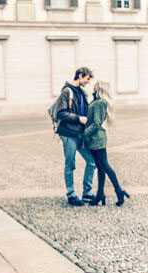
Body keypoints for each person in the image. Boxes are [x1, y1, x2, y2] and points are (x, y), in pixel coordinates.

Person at [83, 81, 130, 207]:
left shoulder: (99, 103)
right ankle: (100, 194)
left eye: (96, 85)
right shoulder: (98, 101)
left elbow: (96, 123)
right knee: (101, 167)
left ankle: (119, 191)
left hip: (97, 139)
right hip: (95, 139)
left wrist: (84, 134)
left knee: (105, 166)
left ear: (100, 88)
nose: (93, 86)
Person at [54, 67, 96, 206]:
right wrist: (79, 118)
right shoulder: (67, 91)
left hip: (81, 134)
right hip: (69, 134)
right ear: (80, 75)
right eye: (87, 78)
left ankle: (87, 192)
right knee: (70, 164)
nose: (88, 82)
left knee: (92, 161)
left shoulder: (82, 92)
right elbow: (60, 113)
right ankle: (71, 193)